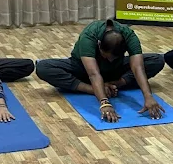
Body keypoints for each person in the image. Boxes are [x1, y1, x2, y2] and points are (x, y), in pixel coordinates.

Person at [35, 18, 164, 122]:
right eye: (106, 56)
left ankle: (114, 85)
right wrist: (104, 102)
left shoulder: (129, 35)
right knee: (43, 67)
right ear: (99, 45)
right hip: (84, 70)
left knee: (157, 60)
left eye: (114, 58)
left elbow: (137, 67)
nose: (110, 60)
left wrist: (148, 96)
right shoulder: (89, 36)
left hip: (115, 71)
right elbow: (93, 74)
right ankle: (94, 89)